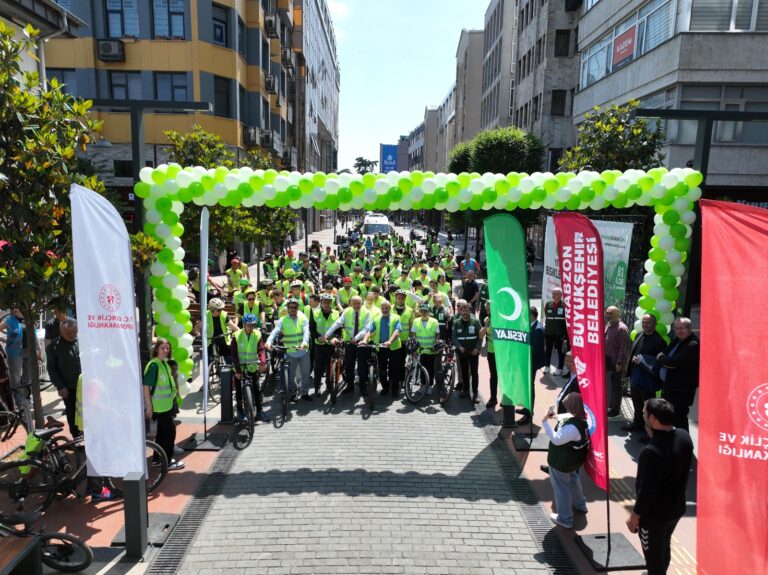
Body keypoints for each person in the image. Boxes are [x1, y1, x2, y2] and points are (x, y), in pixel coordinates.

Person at [626, 398, 693, 575]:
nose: (642, 414)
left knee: (653, 556)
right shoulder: (684, 437)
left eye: (643, 412)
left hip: (654, 516)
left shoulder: (652, 450)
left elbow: (647, 490)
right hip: (676, 508)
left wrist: (634, 516)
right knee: (664, 545)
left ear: (653, 418)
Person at [543, 392, 590, 529]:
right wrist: (556, 417)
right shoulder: (585, 419)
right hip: (574, 461)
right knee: (574, 480)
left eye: (569, 407)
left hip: (561, 462)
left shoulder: (572, 427)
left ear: (573, 408)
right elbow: (567, 417)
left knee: (561, 488)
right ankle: (580, 504)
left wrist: (545, 421)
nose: (567, 410)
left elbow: (557, 439)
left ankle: (565, 519)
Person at [143, 339, 185, 470]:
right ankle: (167, 461)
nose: (166, 350)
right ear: (156, 349)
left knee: (161, 433)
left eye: (167, 348)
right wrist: (149, 406)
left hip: (165, 405)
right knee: (169, 432)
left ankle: (157, 459)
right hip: (159, 406)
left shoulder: (164, 364)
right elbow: (146, 386)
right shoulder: (154, 365)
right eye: (163, 348)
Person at [624, 314, 667, 437]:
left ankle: (649, 432)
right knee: (637, 403)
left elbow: (659, 362)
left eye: (648, 323)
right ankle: (637, 424)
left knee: (648, 406)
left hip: (648, 380)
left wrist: (643, 362)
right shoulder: (639, 335)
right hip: (636, 377)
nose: (645, 325)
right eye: (643, 322)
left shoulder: (660, 341)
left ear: (654, 324)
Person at [656, 318, 699, 432]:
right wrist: (665, 359)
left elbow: (673, 363)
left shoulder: (692, 344)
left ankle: (684, 446)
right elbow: (664, 354)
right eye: (677, 328)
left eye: (682, 328)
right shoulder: (678, 341)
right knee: (670, 417)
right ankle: (672, 444)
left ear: (689, 328)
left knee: (679, 419)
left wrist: (662, 359)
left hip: (681, 390)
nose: (679, 331)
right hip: (671, 387)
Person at [266, 298, 311, 401]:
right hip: (290, 352)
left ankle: (304, 393)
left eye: (295, 307)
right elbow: (275, 331)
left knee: (305, 374)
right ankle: (293, 393)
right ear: (287, 308)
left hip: (303, 351)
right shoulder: (283, 320)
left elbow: (306, 332)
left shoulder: (303, 318)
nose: (293, 309)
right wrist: (269, 341)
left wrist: (305, 342)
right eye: (291, 307)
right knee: (290, 376)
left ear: (298, 308)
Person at [326, 296, 371, 397]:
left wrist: (357, 338)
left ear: (361, 303)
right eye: (354, 303)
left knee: (362, 366)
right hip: (349, 342)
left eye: (358, 303)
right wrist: (327, 334)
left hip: (361, 342)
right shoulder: (347, 312)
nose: (356, 305)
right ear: (351, 303)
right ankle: (350, 386)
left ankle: (363, 386)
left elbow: (367, 328)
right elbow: (337, 323)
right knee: (349, 365)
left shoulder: (366, 312)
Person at [0, 307, 38, 427]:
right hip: (15, 352)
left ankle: (27, 401)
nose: (16, 310)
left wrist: (39, 350)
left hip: (29, 351)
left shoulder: (29, 319)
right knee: (15, 379)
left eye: (18, 308)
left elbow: (35, 334)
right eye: (15, 308)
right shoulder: (9, 320)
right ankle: (19, 405)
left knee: (27, 378)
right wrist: (6, 341)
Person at [230, 314, 270, 423]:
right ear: (244, 324)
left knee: (257, 388)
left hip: (252, 366)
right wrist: (237, 371)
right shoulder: (236, 335)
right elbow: (233, 354)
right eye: (248, 325)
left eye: (252, 325)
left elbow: (261, 349)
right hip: (239, 366)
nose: (250, 327)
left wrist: (262, 362)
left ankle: (260, 411)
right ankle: (240, 412)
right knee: (238, 390)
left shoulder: (257, 334)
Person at [46, 319, 81, 437]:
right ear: (61, 332)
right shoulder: (54, 347)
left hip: (87, 386)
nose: (72, 335)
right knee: (72, 413)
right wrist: (60, 386)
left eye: (74, 332)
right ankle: (76, 436)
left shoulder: (83, 341)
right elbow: (52, 369)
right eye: (68, 333)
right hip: (68, 387)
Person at [360, 300, 402, 397]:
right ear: (380, 309)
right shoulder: (376, 319)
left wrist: (390, 341)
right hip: (381, 347)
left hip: (394, 347)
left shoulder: (396, 318)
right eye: (383, 308)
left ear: (390, 309)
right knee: (382, 369)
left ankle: (395, 389)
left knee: (394, 369)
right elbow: (370, 331)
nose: (384, 310)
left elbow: (397, 331)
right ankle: (385, 387)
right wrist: (365, 340)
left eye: (386, 308)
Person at [517, 306, 546, 425]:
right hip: (527, 362)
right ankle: (526, 408)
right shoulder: (530, 325)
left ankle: (529, 413)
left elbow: (535, 349)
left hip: (531, 363)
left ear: (532, 315)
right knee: (525, 387)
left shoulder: (538, 329)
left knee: (529, 387)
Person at [310, 294, 340, 397]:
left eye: (328, 302)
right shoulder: (315, 313)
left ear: (331, 303)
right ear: (321, 303)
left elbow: (339, 330)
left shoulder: (336, 313)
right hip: (319, 344)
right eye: (325, 302)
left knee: (330, 366)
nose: (326, 304)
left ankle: (329, 384)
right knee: (318, 367)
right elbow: (312, 329)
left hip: (331, 344)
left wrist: (336, 337)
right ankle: (317, 387)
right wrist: (318, 336)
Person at [452, 300, 482, 403]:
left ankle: (475, 393)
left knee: (474, 373)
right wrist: (459, 347)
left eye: (467, 310)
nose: (465, 312)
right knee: (464, 372)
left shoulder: (475, 322)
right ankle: (465, 390)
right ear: (460, 311)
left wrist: (477, 349)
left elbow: (480, 337)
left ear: (470, 311)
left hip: (473, 351)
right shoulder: (456, 322)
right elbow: (454, 337)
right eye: (463, 310)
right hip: (462, 351)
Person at [605, 306, 631, 417]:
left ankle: (615, 410)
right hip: (607, 360)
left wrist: (619, 363)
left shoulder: (621, 328)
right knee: (609, 385)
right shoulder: (609, 325)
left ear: (617, 314)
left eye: (611, 313)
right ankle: (609, 405)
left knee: (616, 386)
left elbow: (623, 348)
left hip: (616, 362)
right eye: (607, 313)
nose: (608, 315)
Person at [411, 303, 440, 387]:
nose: (424, 312)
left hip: (431, 349)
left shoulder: (434, 321)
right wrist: (414, 348)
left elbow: (437, 334)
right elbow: (413, 334)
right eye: (422, 311)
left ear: (428, 312)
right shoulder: (416, 321)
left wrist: (436, 344)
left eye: (426, 311)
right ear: (419, 312)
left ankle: (430, 385)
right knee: (422, 367)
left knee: (430, 368)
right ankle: (423, 384)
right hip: (420, 349)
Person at [543, 288, 567, 375]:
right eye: (553, 293)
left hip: (560, 333)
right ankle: (547, 366)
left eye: (556, 293)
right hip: (549, 332)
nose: (553, 295)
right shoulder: (548, 304)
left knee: (560, 351)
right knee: (547, 350)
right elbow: (546, 314)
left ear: (561, 295)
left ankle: (560, 367)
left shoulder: (564, 305)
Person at [481, 301, 498, 408]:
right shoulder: (486, 319)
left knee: (504, 376)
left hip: (502, 352)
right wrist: (486, 324)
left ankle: (507, 399)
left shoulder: (502, 318)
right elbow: (483, 335)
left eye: (490, 309)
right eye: (487, 310)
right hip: (491, 351)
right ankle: (493, 398)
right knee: (493, 376)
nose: (488, 311)